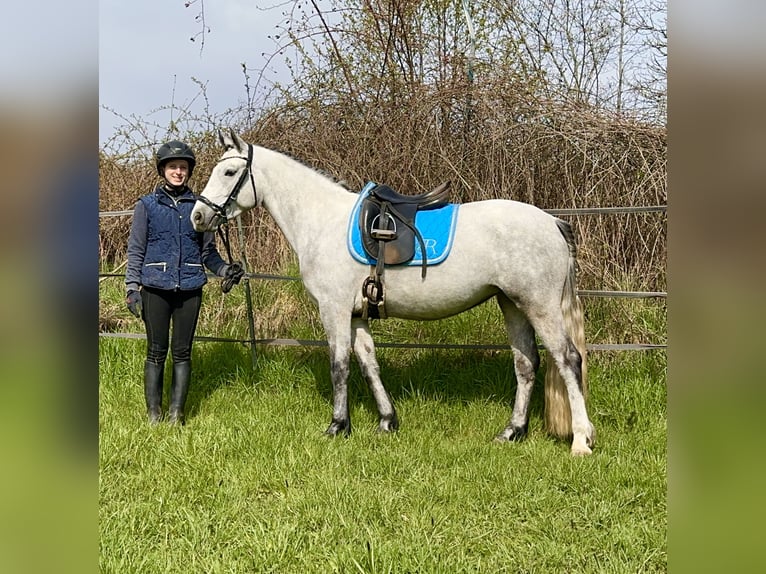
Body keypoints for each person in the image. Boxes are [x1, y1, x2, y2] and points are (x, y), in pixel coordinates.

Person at [125, 140, 244, 425]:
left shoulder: (198, 207)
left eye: (183, 167)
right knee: (156, 352)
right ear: (163, 170)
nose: (178, 172)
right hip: (154, 287)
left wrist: (224, 269)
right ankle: (154, 414)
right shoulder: (147, 206)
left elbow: (208, 253)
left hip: (190, 288)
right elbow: (136, 249)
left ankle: (176, 414)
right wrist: (132, 288)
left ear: (189, 171)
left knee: (182, 353)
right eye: (172, 167)